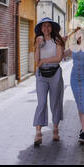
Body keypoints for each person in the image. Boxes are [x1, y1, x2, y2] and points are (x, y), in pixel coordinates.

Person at [33, 17, 65, 147]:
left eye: (48, 26)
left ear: (52, 28)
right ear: (41, 28)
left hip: (55, 73)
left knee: (55, 101)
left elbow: (58, 58)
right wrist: (37, 47)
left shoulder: (57, 40)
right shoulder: (38, 40)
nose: (46, 28)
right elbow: (36, 61)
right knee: (41, 102)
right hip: (41, 75)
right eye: (43, 26)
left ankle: (55, 129)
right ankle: (38, 132)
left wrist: (44, 61)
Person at [63, 27, 84, 144]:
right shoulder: (73, 48)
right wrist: (62, 42)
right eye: (77, 34)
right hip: (74, 79)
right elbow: (62, 56)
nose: (79, 36)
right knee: (79, 103)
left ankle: (83, 131)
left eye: (81, 33)